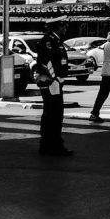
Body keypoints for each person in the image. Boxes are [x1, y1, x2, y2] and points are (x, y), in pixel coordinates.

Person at [35, 16, 71, 156]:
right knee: (52, 114)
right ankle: (50, 145)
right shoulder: (49, 41)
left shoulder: (56, 40)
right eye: (64, 26)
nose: (65, 29)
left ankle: (52, 144)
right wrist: (54, 78)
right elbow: (47, 62)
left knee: (55, 114)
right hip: (51, 82)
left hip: (55, 81)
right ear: (58, 26)